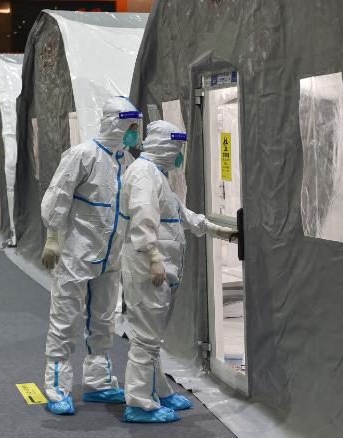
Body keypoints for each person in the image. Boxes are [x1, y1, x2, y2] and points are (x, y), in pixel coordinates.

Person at [119, 120, 236, 423]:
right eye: (177, 148)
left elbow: (179, 214)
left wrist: (218, 229)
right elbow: (143, 218)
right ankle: (139, 402)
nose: (179, 155)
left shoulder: (156, 175)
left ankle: (159, 390)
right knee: (145, 339)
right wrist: (154, 256)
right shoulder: (145, 175)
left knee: (152, 337)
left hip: (159, 268)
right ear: (165, 146)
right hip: (149, 268)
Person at [40, 97, 142, 415]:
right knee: (66, 322)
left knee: (103, 321)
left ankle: (98, 382)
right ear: (115, 123)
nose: (134, 133)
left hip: (109, 260)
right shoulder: (83, 155)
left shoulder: (125, 161)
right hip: (75, 255)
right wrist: (53, 238)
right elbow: (57, 196)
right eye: (130, 126)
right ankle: (57, 387)